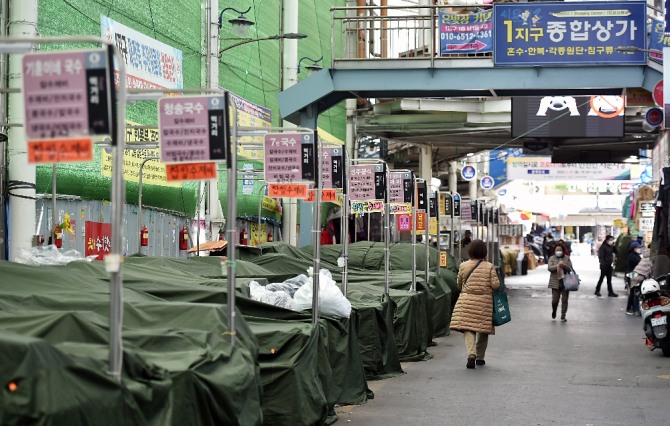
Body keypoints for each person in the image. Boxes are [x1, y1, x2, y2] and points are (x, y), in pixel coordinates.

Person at [450, 240, 500, 369]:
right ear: (484, 251)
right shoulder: (489, 266)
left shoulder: (463, 266)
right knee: (483, 330)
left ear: (470, 251)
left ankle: (471, 353)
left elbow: (459, 284)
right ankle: (480, 357)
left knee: (469, 328)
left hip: (466, 300)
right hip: (484, 302)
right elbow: (495, 285)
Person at [548, 243, 573, 322]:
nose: (558, 251)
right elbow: (549, 268)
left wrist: (564, 266)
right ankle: (554, 310)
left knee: (564, 300)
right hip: (555, 282)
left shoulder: (567, 258)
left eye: (560, 250)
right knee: (555, 300)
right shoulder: (552, 258)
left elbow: (570, 269)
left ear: (563, 250)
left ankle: (563, 315)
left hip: (565, 282)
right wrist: (558, 266)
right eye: (557, 250)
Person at [625, 242, 643, 315]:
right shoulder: (633, 256)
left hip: (632, 274)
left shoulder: (635, 255)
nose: (639, 249)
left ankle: (631, 308)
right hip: (632, 274)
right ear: (634, 248)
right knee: (633, 292)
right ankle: (629, 308)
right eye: (638, 248)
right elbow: (639, 263)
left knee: (633, 292)